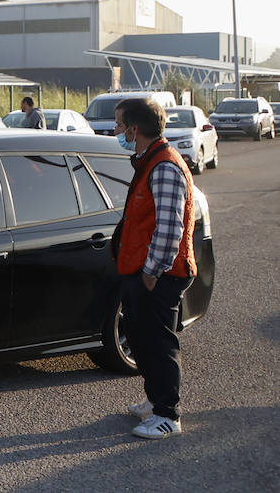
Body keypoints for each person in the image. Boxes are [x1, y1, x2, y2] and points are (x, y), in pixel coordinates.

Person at [113, 98, 197, 440]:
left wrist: (151, 272)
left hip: (161, 273)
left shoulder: (163, 166)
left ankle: (167, 415)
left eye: (120, 125)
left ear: (135, 129)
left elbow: (169, 228)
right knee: (141, 339)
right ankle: (155, 400)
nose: (116, 131)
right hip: (143, 270)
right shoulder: (148, 161)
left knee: (159, 344)